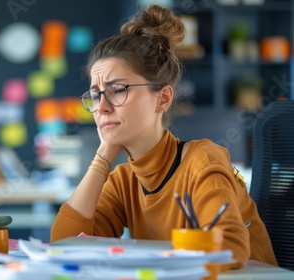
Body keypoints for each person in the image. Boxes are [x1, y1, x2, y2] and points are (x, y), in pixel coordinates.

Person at [50, 4, 277, 268]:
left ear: (163, 98)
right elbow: (64, 246)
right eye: (95, 94)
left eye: (117, 89)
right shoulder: (124, 181)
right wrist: (104, 154)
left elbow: (229, 248)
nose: (101, 106)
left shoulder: (202, 162)